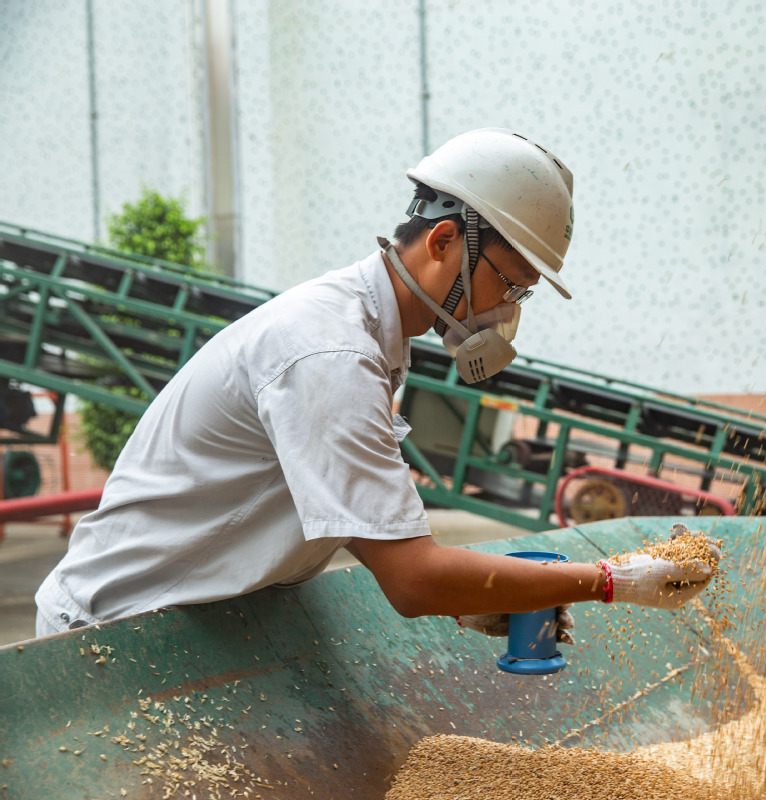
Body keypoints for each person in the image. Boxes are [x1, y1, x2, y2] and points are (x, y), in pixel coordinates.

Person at [34, 128, 720, 642]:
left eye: (522, 294)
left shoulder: (376, 336)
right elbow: (412, 578)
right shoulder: (330, 352)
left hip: (179, 619)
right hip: (110, 631)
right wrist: (612, 580)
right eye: (507, 283)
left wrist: (468, 596)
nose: (507, 311)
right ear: (445, 241)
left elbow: (350, 512)